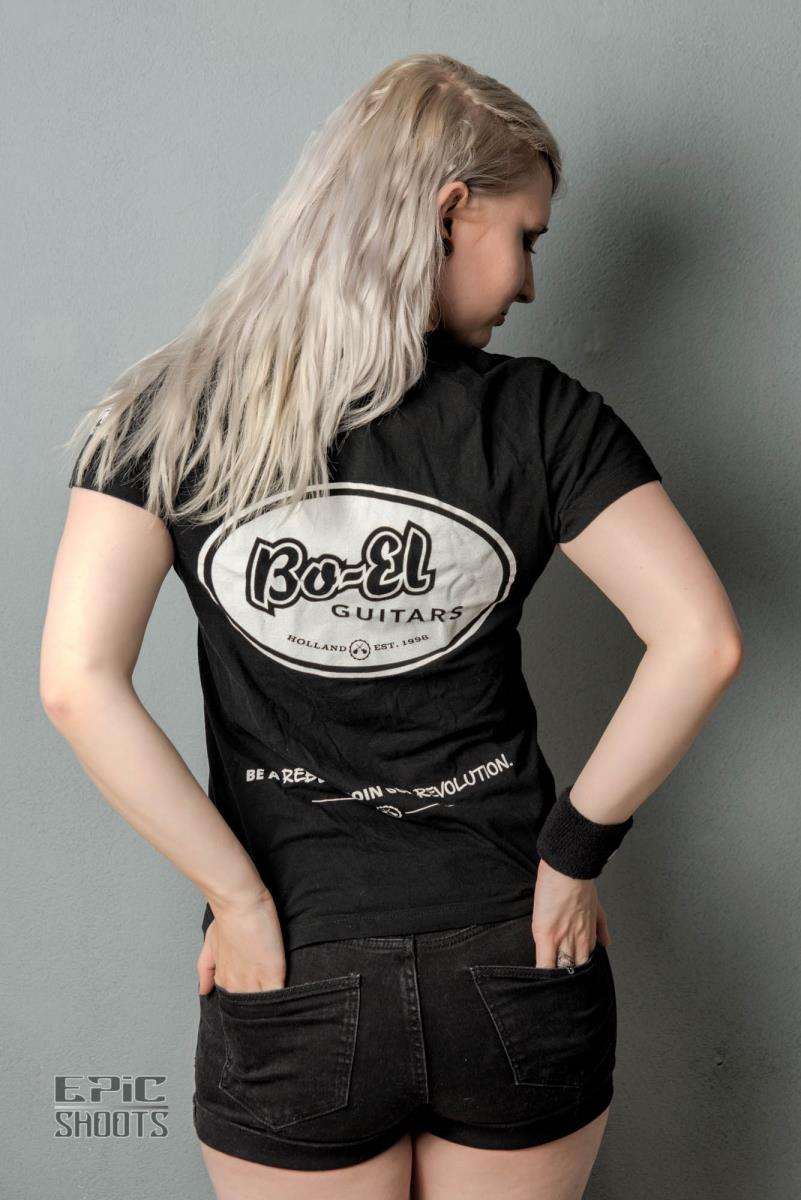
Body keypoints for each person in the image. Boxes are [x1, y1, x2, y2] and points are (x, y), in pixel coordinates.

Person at [41, 52, 743, 1200]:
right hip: (515, 954)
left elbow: (76, 683)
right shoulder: (540, 418)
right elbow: (702, 641)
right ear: (449, 210)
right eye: (525, 237)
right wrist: (571, 858)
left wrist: (238, 900)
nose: (529, 284)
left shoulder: (165, 416)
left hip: (292, 969)